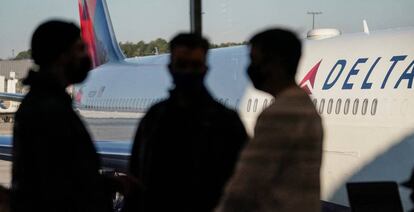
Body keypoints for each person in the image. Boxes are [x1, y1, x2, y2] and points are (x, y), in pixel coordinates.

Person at [124, 33, 247, 212]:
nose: (188, 72)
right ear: (170, 68)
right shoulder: (154, 119)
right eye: (182, 65)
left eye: (195, 66)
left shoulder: (227, 122)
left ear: (205, 69)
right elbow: (137, 178)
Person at [215, 29, 323, 212]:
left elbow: (247, 184)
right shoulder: (305, 104)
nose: (250, 68)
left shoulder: (281, 115)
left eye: (255, 60)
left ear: (274, 64)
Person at [11, 20, 113, 212]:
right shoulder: (49, 110)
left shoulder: (47, 103)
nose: (86, 56)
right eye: (81, 49)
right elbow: (56, 186)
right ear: (62, 55)